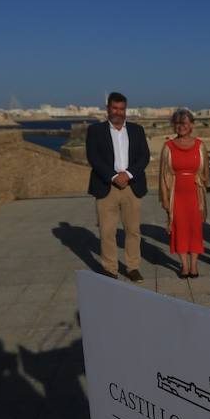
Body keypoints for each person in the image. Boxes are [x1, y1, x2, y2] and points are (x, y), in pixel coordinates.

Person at [86, 91, 150, 281]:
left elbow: (143, 157)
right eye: (115, 108)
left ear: (125, 110)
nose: (118, 112)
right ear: (108, 109)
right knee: (107, 231)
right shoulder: (95, 131)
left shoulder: (137, 130)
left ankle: (132, 267)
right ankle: (110, 268)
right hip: (106, 187)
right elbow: (94, 158)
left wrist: (128, 174)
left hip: (132, 186)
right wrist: (114, 176)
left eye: (122, 109)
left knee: (132, 230)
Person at [158, 108, 209, 278]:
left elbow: (205, 173)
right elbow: (163, 175)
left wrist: (202, 184)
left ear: (192, 125)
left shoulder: (200, 145)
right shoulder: (168, 147)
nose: (181, 127)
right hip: (176, 193)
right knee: (178, 228)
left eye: (184, 123)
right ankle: (184, 266)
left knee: (195, 229)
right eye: (178, 124)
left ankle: (194, 265)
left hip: (195, 194)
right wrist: (164, 198)